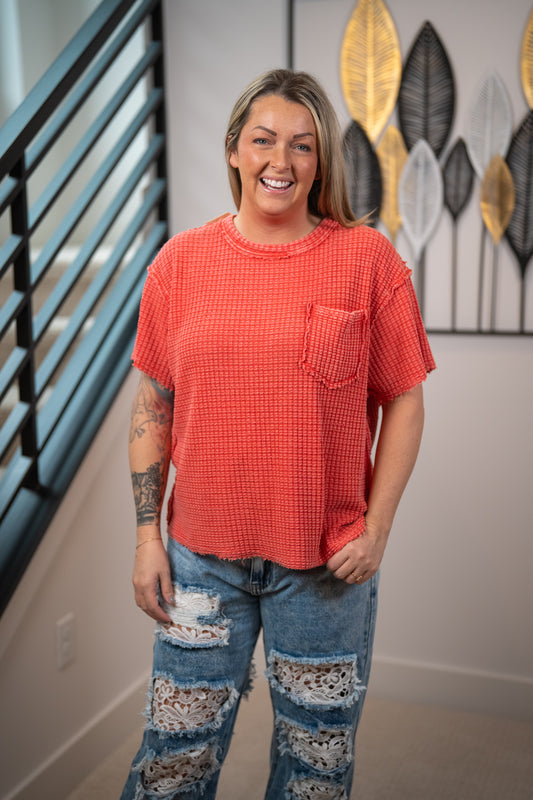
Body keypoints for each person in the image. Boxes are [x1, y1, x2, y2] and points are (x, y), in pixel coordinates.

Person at [120, 68, 435, 800]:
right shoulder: (179, 265)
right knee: (173, 761)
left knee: (314, 773)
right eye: (263, 140)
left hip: (325, 571)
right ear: (234, 149)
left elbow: (405, 401)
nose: (280, 161)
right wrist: (145, 538)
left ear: (319, 162)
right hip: (200, 563)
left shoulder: (367, 261)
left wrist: (378, 528)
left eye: (302, 145)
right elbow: (153, 404)